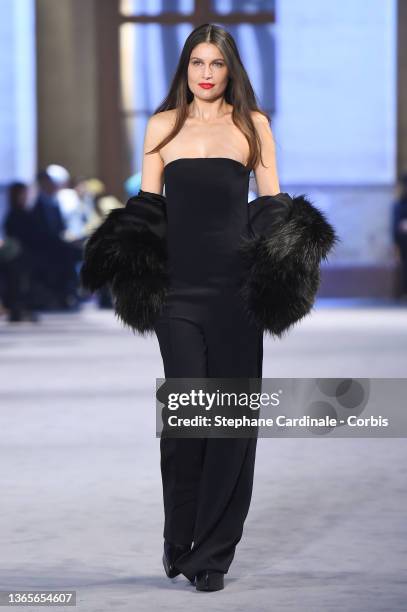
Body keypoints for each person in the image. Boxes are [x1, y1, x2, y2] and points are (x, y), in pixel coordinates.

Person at [79, 23, 337, 593]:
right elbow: (148, 207)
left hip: (237, 294)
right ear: (185, 67)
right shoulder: (162, 126)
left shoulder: (253, 127)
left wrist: (294, 260)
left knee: (231, 425)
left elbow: (271, 207)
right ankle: (180, 534)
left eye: (215, 64)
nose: (205, 73)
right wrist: (114, 252)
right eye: (196, 62)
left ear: (230, 70)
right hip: (178, 293)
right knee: (188, 422)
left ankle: (213, 555)